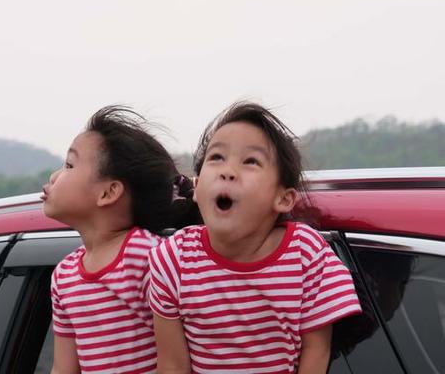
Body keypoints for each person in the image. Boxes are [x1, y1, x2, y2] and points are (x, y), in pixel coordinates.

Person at [149, 102, 362, 373]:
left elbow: (317, 350)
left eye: (250, 161)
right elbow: (172, 365)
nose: (227, 171)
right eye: (216, 157)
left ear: (283, 199)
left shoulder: (305, 253)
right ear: (197, 186)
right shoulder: (173, 259)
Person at [43, 106, 195, 374]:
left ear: (109, 192)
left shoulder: (147, 256)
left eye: (69, 165)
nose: (54, 176)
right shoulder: (64, 276)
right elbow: (63, 368)